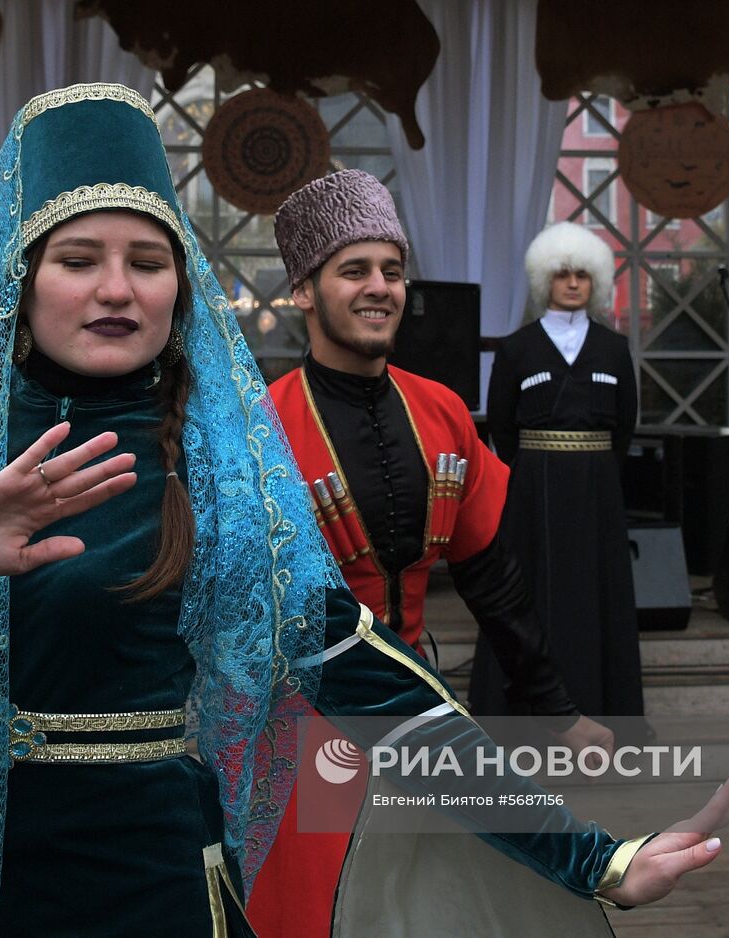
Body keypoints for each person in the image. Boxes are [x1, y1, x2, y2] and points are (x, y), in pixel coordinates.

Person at [0, 87, 729, 938]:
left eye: (145, 261)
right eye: (78, 257)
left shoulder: (223, 477)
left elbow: (383, 696)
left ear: (181, 289)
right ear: (19, 279)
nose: (116, 287)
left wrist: (594, 853)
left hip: (165, 885)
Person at [248, 170, 614, 938]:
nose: (380, 287)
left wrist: (555, 709)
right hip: (301, 733)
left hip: (423, 717)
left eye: (391, 269)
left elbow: (490, 576)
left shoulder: (442, 409)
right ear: (304, 292)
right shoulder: (259, 429)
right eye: (354, 270)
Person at [469, 222, 646, 739]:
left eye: (583, 275)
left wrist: (593, 471)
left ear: (596, 283)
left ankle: (601, 711)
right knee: (524, 593)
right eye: (563, 273)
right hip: (533, 490)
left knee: (597, 593)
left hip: (597, 492)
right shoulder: (518, 348)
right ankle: (521, 715)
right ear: (545, 279)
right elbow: (500, 423)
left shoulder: (614, 350)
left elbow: (625, 426)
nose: (572, 283)